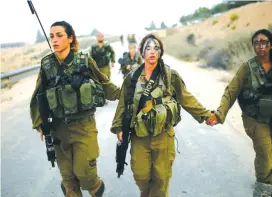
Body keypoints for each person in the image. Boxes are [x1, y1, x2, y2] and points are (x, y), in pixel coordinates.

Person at [110, 34, 216, 197]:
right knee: (141, 175)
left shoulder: (169, 75)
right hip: (139, 135)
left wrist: (205, 115)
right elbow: (123, 103)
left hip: (163, 135)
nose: (152, 51)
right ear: (142, 53)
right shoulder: (132, 78)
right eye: (148, 48)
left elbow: (185, 97)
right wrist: (118, 126)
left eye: (156, 48)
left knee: (161, 178)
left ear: (160, 53)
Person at [29, 21, 120, 197]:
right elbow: (37, 95)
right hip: (58, 129)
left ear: (70, 38)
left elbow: (105, 84)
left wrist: (126, 95)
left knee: (86, 177)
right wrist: (39, 123)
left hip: (83, 127)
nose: (54, 40)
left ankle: (95, 186)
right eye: (52, 36)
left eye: (59, 35)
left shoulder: (84, 61)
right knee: (68, 180)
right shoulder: (47, 65)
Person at [211, 29, 272, 197]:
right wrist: (220, 114)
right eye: (256, 42)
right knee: (265, 151)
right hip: (254, 117)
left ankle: (264, 177)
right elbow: (231, 90)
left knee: (270, 151)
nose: (260, 46)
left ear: (270, 44)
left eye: (264, 42)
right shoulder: (248, 67)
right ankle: (263, 188)